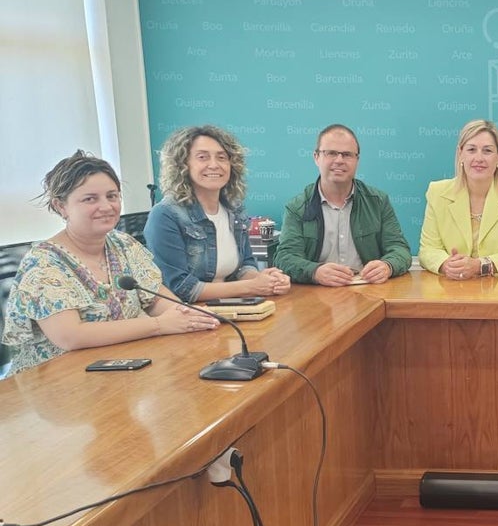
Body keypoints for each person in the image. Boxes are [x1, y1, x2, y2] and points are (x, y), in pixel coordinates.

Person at [1, 151, 219, 373]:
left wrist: (190, 317)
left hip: (121, 366)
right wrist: (159, 325)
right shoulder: (42, 263)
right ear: (61, 206)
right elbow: (70, 336)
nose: (106, 206)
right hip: (55, 381)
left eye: (112, 196)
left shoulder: (123, 244)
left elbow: (156, 300)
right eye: (90, 199)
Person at [145, 125, 291, 302]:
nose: (214, 165)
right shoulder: (165, 214)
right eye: (202, 157)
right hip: (189, 316)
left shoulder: (234, 209)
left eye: (222, 157)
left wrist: (266, 280)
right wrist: (249, 287)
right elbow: (181, 288)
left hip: (230, 307)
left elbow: (245, 266)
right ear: (182, 165)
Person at [274, 124, 412, 286]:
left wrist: (387, 266)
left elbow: (400, 250)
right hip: (317, 294)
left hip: (368, 291)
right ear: (316, 157)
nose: (339, 160)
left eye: (347, 155)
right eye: (331, 153)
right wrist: (315, 271)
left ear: (357, 160)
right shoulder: (297, 207)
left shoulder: (378, 201)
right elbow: (285, 257)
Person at [418, 120, 498, 279]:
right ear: (460, 154)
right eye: (471, 150)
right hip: (451, 289)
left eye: (487, 151)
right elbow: (428, 250)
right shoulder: (437, 192)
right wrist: (447, 265)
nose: (479, 158)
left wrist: (481, 266)